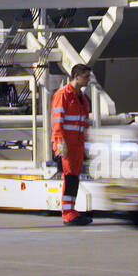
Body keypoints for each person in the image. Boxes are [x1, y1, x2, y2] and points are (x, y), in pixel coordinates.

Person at [51, 63, 93, 226]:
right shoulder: (63, 95)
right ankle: (68, 213)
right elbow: (57, 121)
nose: (88, 80)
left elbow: (83, 122)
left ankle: (72, 210)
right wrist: (59, 142)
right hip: (66, 144)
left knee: (74, 178)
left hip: (77, 144)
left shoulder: (81, 97)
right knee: (69, 177)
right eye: (86, 76)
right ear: (76, 76)